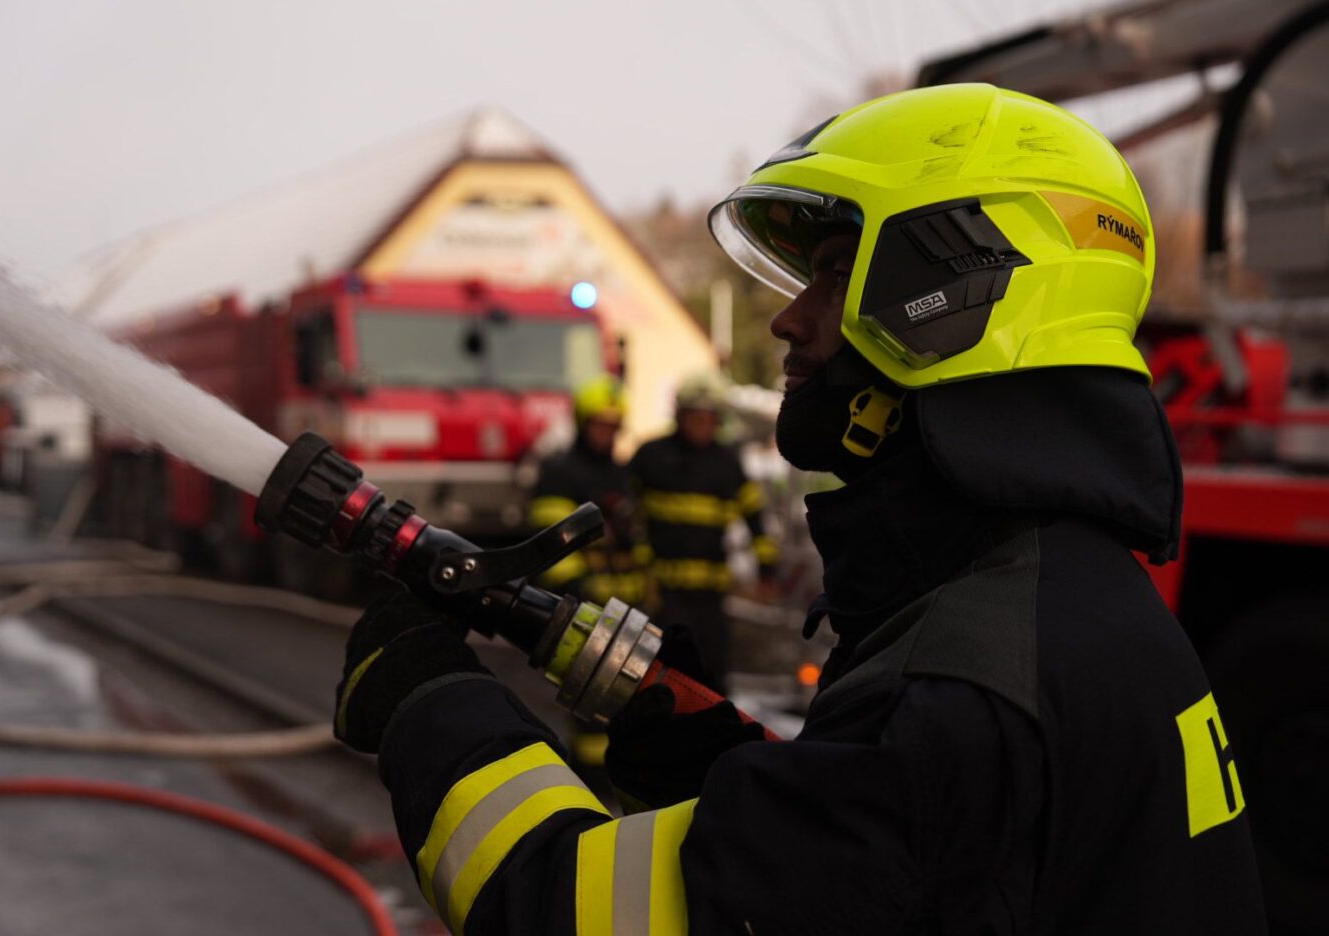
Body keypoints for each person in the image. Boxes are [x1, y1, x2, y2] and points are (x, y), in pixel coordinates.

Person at [330, 84, 1267, 934]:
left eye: (831, 273)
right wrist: (721, 756)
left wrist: (429, 699)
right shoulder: (1062, 594)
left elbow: (561, 909)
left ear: (954, 288)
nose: (788, 318)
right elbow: (922, 863)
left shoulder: (960, 692)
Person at [628, 373, 778, 691]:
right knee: (661, 675)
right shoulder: (651, 456)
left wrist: (767, 567)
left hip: (710, 595)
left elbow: (755, 517)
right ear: (680, 416)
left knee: (712, 674)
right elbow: (626, 515)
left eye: (708, 418)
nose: (701, 425)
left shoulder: (727, 463)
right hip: (662, 592)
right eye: (694, 417)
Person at [529, 374, 648, 610]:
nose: (607, 432)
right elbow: (554, 545)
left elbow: (638, 539)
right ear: (583, 423)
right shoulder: (559, 473)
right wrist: (577, 593)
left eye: (613, 426)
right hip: (575, 604)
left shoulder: (623, 474)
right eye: (600, 424)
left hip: (626, 607)